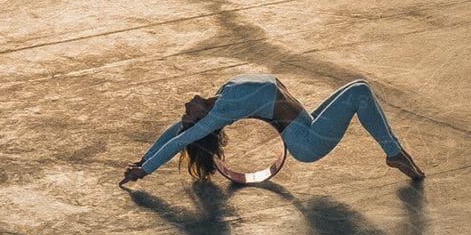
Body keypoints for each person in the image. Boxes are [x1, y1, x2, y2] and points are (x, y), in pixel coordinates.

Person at [119, 67, 424, 186]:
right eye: (188, 115)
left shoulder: (224, 91)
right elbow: (177, 139)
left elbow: (176, 131)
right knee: (360, 92)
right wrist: (145, 170)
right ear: (201, 121)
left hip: (309, 123)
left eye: (185, 112)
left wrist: (145, 157)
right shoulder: (223, 110)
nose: (185, 108)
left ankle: (394, 152)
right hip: (308, 142)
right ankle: (393, 153)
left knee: (358, 85)